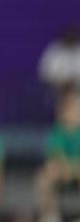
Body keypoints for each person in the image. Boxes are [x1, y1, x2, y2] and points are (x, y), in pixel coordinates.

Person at [36, 90, 80, 221]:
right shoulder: (58, 131)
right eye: (68, 108)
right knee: (44, 177)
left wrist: (74, 169)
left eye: (74, 108)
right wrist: (67, 168)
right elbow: (55, 156)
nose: (70, 112)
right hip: (64, 170)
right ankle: (50, 216)